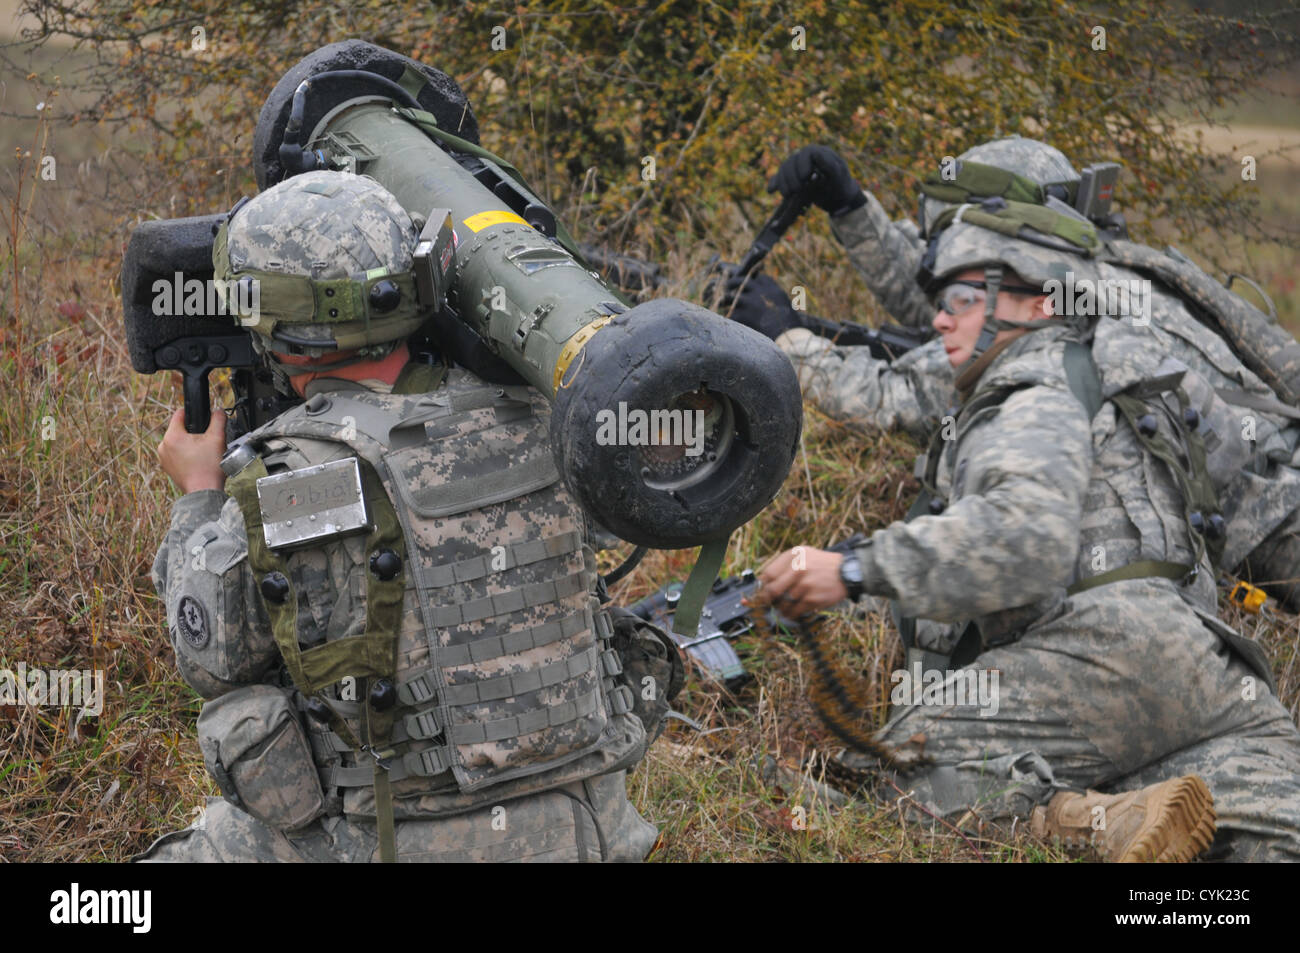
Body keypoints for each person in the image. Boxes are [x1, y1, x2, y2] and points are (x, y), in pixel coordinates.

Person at [138, 170, 678, 862]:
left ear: (277, 328)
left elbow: (211, 657)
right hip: (586, 832)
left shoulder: (280, 482)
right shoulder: (550, 421)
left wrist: (198, 493)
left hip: (398, 843)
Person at [752, 209, 1300, 862]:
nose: (939, 320)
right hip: (1209, 669)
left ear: (1040, 304)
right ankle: (1134, 818)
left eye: (962, 299)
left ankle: (1074, 817)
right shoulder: (1139, 372)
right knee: (1265, 843)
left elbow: (1025, 541)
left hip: (1092, 658)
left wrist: (850, 572)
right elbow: (1253, 502)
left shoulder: (1030, 390)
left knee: (887, 788)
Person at [730, 138, 1300, 612]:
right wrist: (852, 209)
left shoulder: (1069, 326)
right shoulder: (1113, 274)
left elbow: (885, 395)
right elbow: (963, 299)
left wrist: (784, 339)